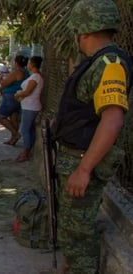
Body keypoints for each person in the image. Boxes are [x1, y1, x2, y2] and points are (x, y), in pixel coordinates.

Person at [51, 0, 131, 272]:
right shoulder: (97, 63)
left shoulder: (110, 64)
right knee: (72, 232)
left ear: (83, 31)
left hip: (82, 161)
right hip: (75, 158)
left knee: (79, 236)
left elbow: (113, 120)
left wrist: (84, 169)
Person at [14, 56, 44, 162]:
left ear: (32, 64)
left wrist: (18, 94)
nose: (27, 64)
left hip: (31, 107)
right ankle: (28, 149)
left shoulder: (35, 77)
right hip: (29, 105)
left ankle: (26, 151)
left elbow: (27, 92)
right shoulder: (35, 76)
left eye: (29, 63)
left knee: (25, 130)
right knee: (29, 130)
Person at [0, 55, 29, 145]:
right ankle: (13, 138)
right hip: (17, 97)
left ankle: (15, 134)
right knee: (13, 117)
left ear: (16, 63)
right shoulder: (26, 72)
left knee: (1, 117)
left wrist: (1, 83)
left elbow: (5, 83)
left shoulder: (17, 72)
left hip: (11, 97)